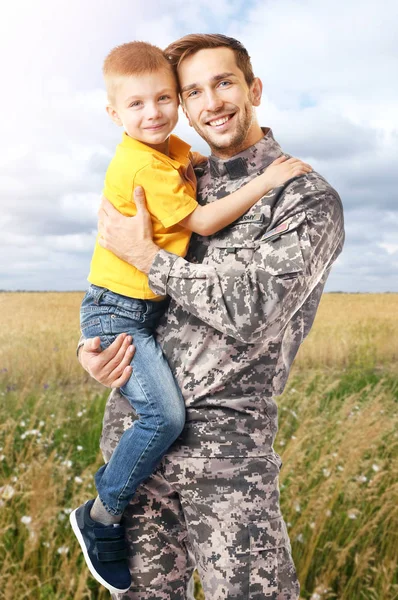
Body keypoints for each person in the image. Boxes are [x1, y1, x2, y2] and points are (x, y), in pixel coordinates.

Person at [78, 34, 345, 600]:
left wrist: (147, 256)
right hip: (138, 448)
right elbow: (118, 285)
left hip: (226, 462)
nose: (211, 102)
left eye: (223, 83)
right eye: (191, 90)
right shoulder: (174, 173)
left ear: (254, 89)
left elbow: (252, 311)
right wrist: (92, 347)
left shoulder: (301, 197)